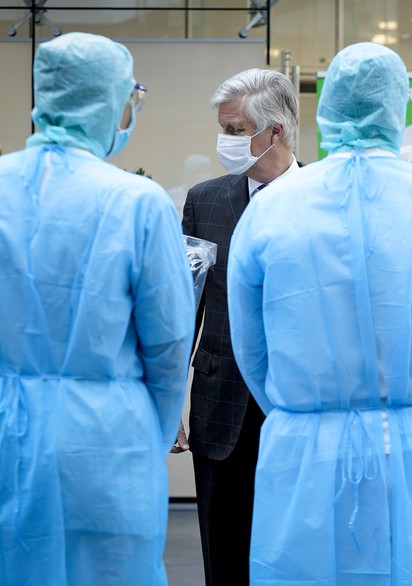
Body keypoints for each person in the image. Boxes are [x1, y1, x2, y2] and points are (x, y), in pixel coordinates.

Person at [227, 43, 412, 584]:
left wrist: (301, 409)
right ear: (398, 108)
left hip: (306, 447)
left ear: (327, 105)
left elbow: (251, 344)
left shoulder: (273, 206)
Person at [0, 32, 194, 584]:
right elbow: (168, 343)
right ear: (112, 101)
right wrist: (148, 438)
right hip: (106, 442)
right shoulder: (136, 201)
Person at [177, 68, 300, 585]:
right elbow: (186, 310)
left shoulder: (322, 199)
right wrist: (167, 402)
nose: (225, 141)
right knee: (223, 555)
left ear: (275, 132)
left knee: (294, 555)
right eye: (222, 129)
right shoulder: (205, 201)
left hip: (298, 405)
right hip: (220, 404)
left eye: (234, 130)